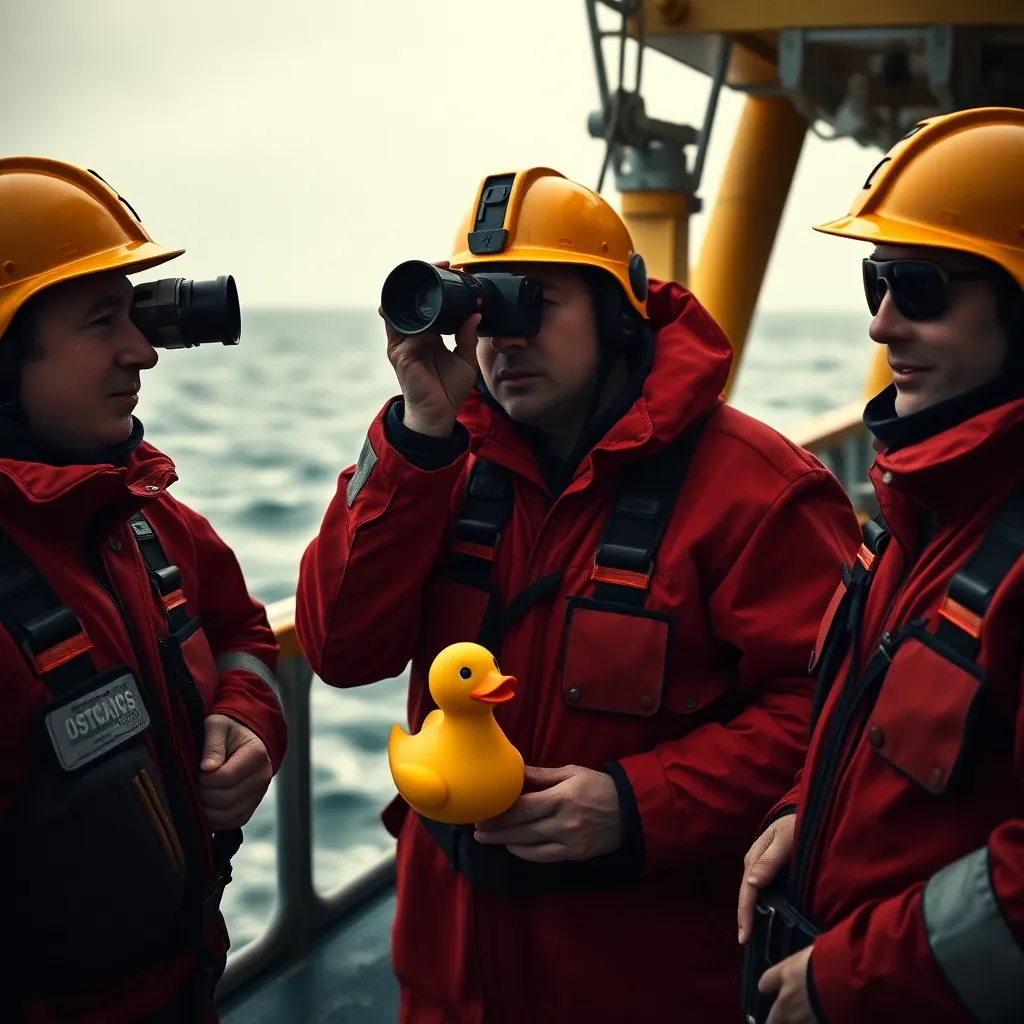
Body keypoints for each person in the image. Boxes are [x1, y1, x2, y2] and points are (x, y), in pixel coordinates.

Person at [296, 165, 860, 1024]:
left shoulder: (760, 491)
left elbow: (829, 713)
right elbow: (339, 651)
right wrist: (415, 437)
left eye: (535, 302)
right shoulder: (437, 462)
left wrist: (639, 802)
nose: (503, 338)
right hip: (446, 970)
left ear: (617, 312)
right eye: (479, 309)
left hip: (642, 973)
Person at [737, 106, 1024, 1024]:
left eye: (922, 288)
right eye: (876, 284)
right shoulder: (915, 519)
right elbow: (868, 734)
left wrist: (851, 979)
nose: (883, 324)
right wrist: (797, 810)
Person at [0, 157, 287, 1023]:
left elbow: (245, 632)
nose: (146, 350)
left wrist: (249, 719)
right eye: (103, 321)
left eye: (136, 314)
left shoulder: (147, 519)